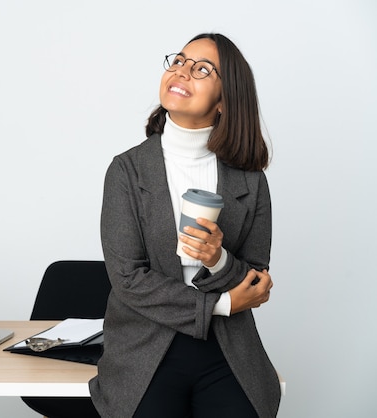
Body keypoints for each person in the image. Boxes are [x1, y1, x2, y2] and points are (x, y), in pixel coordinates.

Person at [89, 33, 281, 417]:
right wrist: (222, 304)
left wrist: (219, 260)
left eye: (202, 69)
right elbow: (128, 278)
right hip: (146, 344)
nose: (181, 72)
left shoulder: (250, 179)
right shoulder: (126, 171)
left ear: (225, 100)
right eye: (178, 61)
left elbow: (256, 279)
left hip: (227, 348)